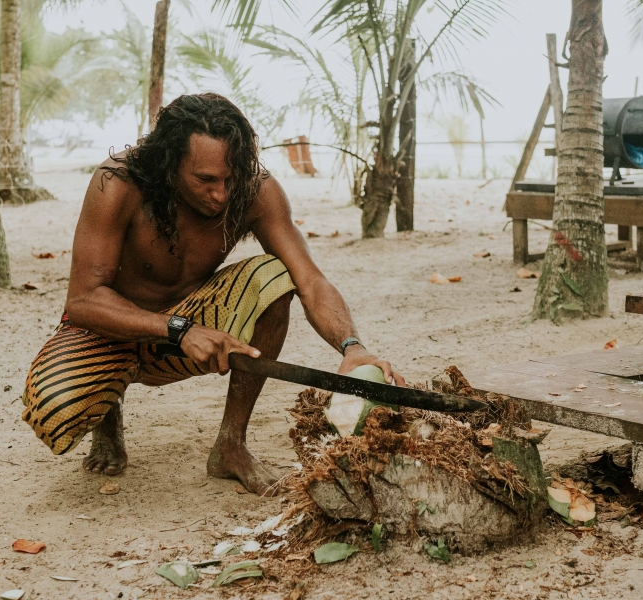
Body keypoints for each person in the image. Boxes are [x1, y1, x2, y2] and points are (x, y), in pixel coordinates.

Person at [20, 93, 404, 495]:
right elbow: (82, 300)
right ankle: (108, 412)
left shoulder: (255, 191)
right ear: (170, 164)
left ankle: (230, 445)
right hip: (113, 331)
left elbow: (310, 280)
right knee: (56, 412)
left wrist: (352, 347)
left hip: (185, 337)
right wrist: (177, 328)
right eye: (205, 180)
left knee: (273, 276)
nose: (222, 194)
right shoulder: (119, 181)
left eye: (230, 178)